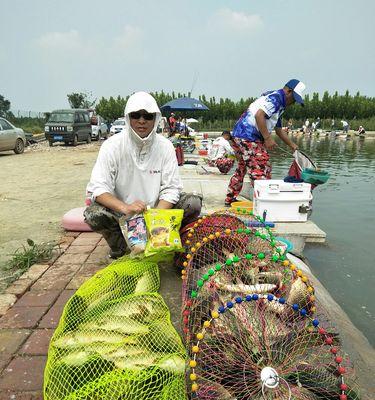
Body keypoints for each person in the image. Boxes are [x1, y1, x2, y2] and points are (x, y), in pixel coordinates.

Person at [84, 91, 202, 258]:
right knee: (93, 214)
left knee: (193, 203)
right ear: (128, 117)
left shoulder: (165, 146)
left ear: (155, 118)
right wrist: (126, 208)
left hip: (157, 212)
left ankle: (166, 242)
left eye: (147, 116)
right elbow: (98, 187)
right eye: (135, 115)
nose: (141, 120)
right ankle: (119, 247)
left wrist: (154, 221)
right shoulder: (112, 146)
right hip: (123, 213)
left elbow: (171, 188)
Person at [225, 79, 304, 206]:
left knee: (242, 167)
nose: (293, 103)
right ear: (288, 91)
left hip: (240, 134)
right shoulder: (276, 98)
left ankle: (230, 198)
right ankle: (264, 203)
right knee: (261, 167)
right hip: (248, 135)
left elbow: (278, 130)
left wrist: (292, 145)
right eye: (294, 99)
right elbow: (259, 115)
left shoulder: (279, 105)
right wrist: (267, 138)